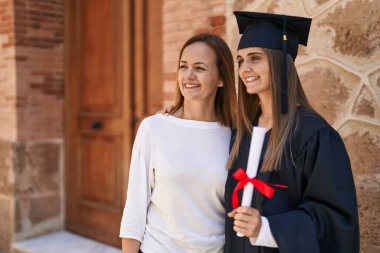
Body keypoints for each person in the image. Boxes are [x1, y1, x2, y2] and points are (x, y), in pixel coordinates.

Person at [224, 11, 360, 253]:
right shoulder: (242, 133)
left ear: (280, 62)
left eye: (255, 58)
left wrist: (266, 228)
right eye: (240, 60)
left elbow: (334, 219)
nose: (245, 68)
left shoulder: (314, 136)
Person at [120, 33, 238, 253]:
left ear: (221, 78)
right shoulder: (154, 128)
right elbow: (135, 207)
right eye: (183, 66)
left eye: (200, 68)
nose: (189, 75)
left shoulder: (236, 136)